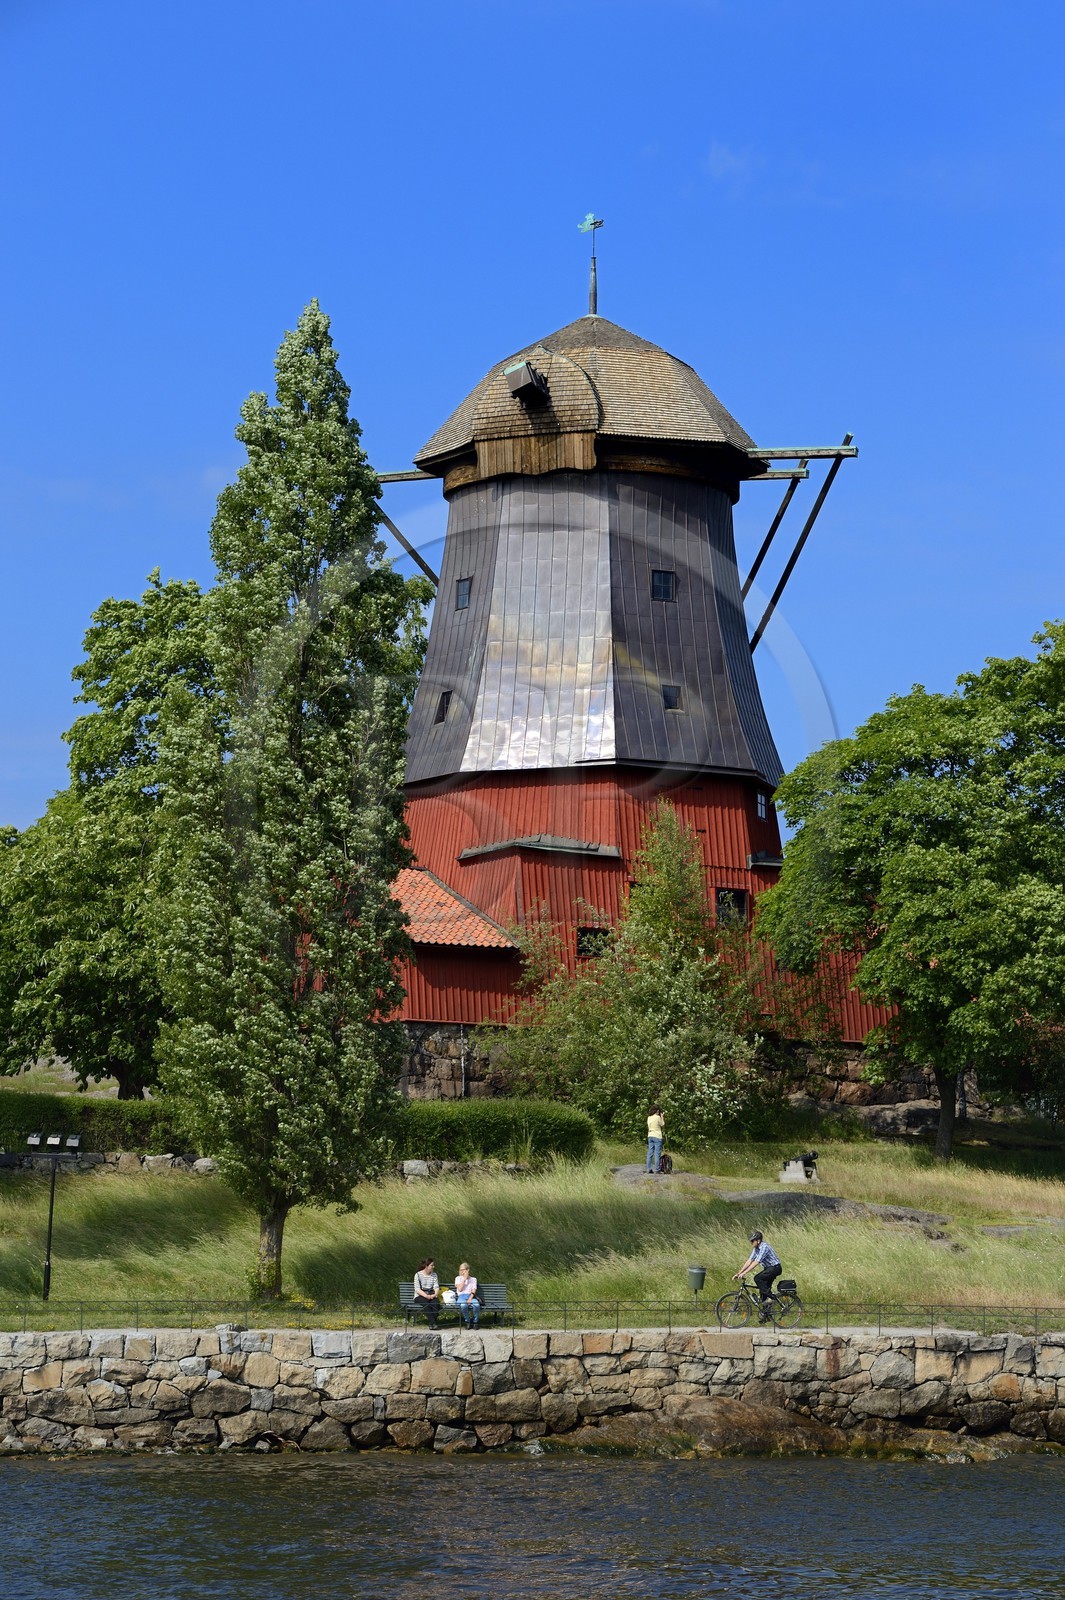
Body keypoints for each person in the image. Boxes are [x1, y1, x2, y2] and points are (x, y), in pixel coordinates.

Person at [733, 1230, 782, 1321]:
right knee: (762, 1292)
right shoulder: (756, 1249)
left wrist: (745, 1273)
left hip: (775, 1268)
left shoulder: (764, 1247)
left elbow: (756, 1262)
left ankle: (771, 1298)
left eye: (752, 1241)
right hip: (768, 1269)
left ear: (758, 1240)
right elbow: (749, 1261)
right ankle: (766, 1316)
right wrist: (739, 1273)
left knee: (757, 1278)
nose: (751, 1243)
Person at [413, 1257, 439, 1328]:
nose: (433, 1267)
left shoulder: (434, 1275)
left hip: (431, 1294)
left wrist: (435, 1294)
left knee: (436, 1304)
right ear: (426, 1266)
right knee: (426, 1304)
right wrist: (426, 1296)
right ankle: (433, 1323)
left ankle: (431, 1324)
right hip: (420, 1295)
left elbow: (436, 1287)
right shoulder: (418, 1275)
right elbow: (417, 1289)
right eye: (432, 1265)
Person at [454, 1261, 480, 1328]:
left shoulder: (473, 1279)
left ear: (467, 1270)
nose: (462, 1271)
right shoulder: (458, 1278)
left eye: (463, 1270)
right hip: (461, 1297)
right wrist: (464, 1279)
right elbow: (459, 1289)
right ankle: (467, 1321)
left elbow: (474, 1290)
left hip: (470, 1296)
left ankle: (475, 1321)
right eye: (460, 1270)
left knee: (476, 1304)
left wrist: (470, 1298)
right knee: (463, 1305)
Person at [646, 1106, 665, 1174]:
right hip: (657, 1135)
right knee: (657, 1153)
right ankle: (657, 1169)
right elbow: (662, 1124)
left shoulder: (649, 1118)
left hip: (650, 1135)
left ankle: (648, 1168)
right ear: (657, 1111)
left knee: (650, 1152)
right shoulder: (657, 1117)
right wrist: (662, 1117)